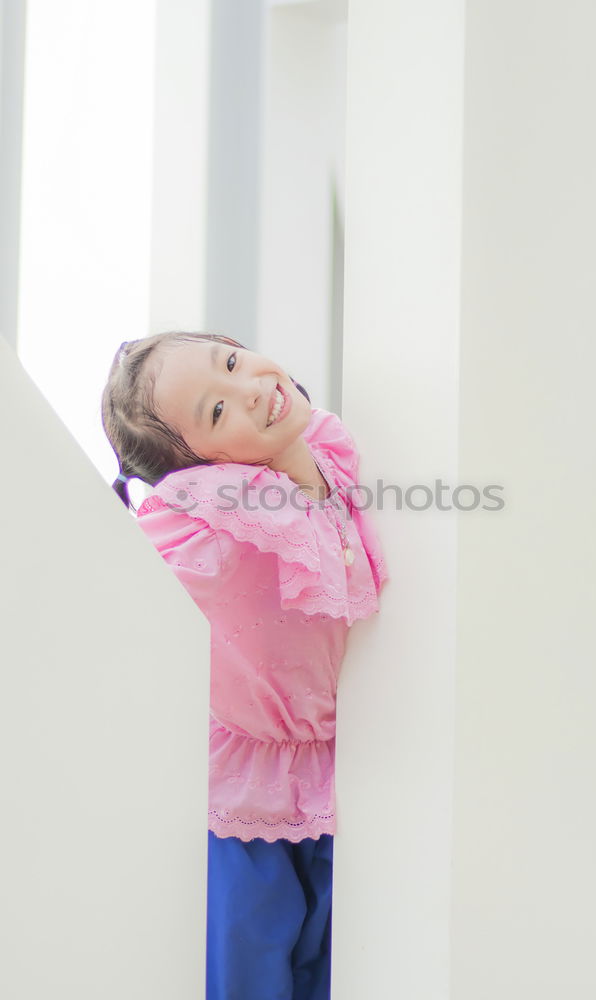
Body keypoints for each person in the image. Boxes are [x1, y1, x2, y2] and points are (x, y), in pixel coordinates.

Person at [101, 331, 389, 999]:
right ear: (198, 461)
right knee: (249, 965)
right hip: (248, 787)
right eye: (216, 412)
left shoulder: (329, 452)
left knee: (342, 960)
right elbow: (126, 564)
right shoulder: (210, 507)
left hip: (344, 765)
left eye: (230, 361)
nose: (250, 387)